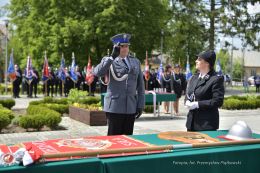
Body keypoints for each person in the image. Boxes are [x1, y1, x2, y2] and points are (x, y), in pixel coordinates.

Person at [93, 33, 145, 136]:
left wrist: (140, 105)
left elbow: (140, 86)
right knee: (114, 139)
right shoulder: (108, 60)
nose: (125, 49)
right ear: (116, 47)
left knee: (128, 139)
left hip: (130, 106)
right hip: (115, 107)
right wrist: (112, 57)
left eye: (127, 46)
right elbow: (97, 72)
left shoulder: (135, 62)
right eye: (122, 46)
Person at [185, 50, 224, 131]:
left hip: (206, 125)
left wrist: (197, 104)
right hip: (191, 123)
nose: (196, 61)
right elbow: (189, 93)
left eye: (199, 59)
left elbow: (218, 101)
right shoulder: (194, 77)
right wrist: (187, 101)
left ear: (207, 63)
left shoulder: (216, 79)